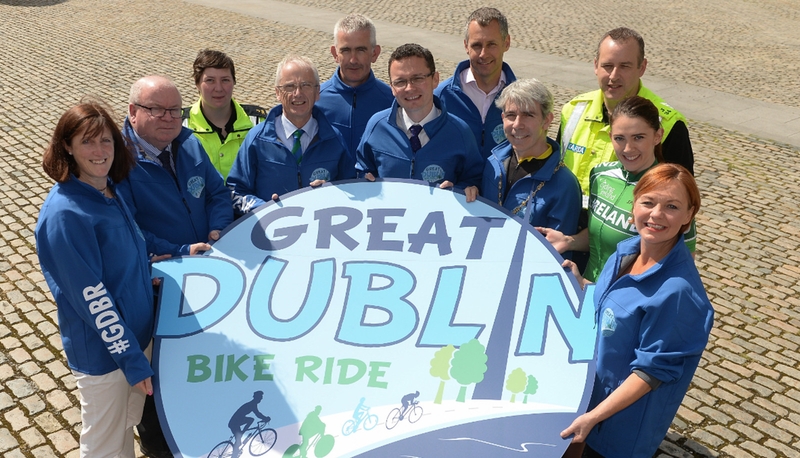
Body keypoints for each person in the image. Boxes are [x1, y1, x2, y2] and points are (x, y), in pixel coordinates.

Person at [559, 163, 714, 458]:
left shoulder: (679, 293)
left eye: (671, 206)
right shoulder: (626, 252)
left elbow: (649, 373)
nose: (656, 214)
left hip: (616, 431)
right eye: (648, 202)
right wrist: (585, 284)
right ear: (634, 204)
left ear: (688, 215)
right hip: (587, 400)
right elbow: (616, 308)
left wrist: (593, 418)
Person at [116, 75, 230, 457]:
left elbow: (216, 192)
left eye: (176, 110)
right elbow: (128, 229)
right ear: (133, 112)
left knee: (199, 358)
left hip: (203, 273)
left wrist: (216, 232)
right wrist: (181, 250)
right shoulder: (118, 162)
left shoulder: (189, 144)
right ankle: (157, 442)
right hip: (158, 287)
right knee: (159, 367)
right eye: (157, 110)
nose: (169, 118)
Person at [35, 101, 154, 457]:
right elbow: (94, 300)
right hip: (107, 356)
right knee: (104, 446)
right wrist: (132, 360)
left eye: (106, 140)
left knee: (122, 436)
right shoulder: (64, 215)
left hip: (136, 339)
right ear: (67, 147)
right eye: (87, 142)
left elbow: (125, 256)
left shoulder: (106, 191)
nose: (100, 151)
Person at [538, 96, 696, 282]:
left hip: (626, 305)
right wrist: (569, 241)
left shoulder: (671, 192)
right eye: (619, 138)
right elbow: (602, 235)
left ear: (658, 136)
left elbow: (681, 270)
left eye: (638, 137)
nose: (628, 149)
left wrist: (590, 288)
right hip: (587, 292)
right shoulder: (600, 175)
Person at [559, 27, 694, 198]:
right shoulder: (573, 110)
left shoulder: (668, 124)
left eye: (624, 66)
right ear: (595, 65)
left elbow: (683, 198)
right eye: (607, 66)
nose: (614, 76)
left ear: (642, 67)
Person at [227, 54, 354, 215]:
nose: (298, 93)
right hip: (271, 235)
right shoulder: (256, 140)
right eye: (289, 86)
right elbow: (234, 191)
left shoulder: (335, 139)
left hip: (322, 232)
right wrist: (263, 209)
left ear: (317, 92)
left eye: (306, 85)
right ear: (277, 93)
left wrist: (333, 192)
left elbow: (352, 189)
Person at [357, 43, 483, 202]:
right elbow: (362, 169)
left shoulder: (460, 132)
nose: (410, 88)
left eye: (417, 78)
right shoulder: (376, 127)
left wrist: (461, 190)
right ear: (392, 88)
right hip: (389, 222)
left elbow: (474, 178)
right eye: (400, 82)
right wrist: (364, 179)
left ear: (435, 79)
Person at [482, 79, 580, 237]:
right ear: (502, 118)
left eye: (528, 115)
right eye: (511, 115)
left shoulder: (564, 185)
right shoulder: (493, 163)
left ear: (546, 120)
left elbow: (557, 252)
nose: (517, 124)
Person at [435, 7, 516, 159]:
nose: (483, 54)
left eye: (492, 44)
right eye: (476, 45)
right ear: (466, 45)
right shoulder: (440, 97)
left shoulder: (522, 99)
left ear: (506, 43)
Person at [317, 14, 394, 156]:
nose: (353, 60)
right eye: (346, 50)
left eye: (360, 50)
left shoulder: (392, 101)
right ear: (335, 53)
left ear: (374, 53)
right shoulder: (315, 101)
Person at [185, 49, 259, 179]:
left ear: (234, 82)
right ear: (197, 84)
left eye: (225, 80)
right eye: (210, 80)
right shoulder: (181, 126)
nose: (218, 88)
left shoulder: (258, 122)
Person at [228, 391, 270, 457]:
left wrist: (265, 418)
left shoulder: (253, 404)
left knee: (238, 440)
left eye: (261, 398)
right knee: (250, 420)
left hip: (237, 422)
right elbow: (257, 414)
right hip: (234, 422)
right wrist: (265, 418)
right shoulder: (252, 404)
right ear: (256, 397)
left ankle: (235, 453)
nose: (260, 400)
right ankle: (234, 453)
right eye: (260, 398)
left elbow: (257, 414)